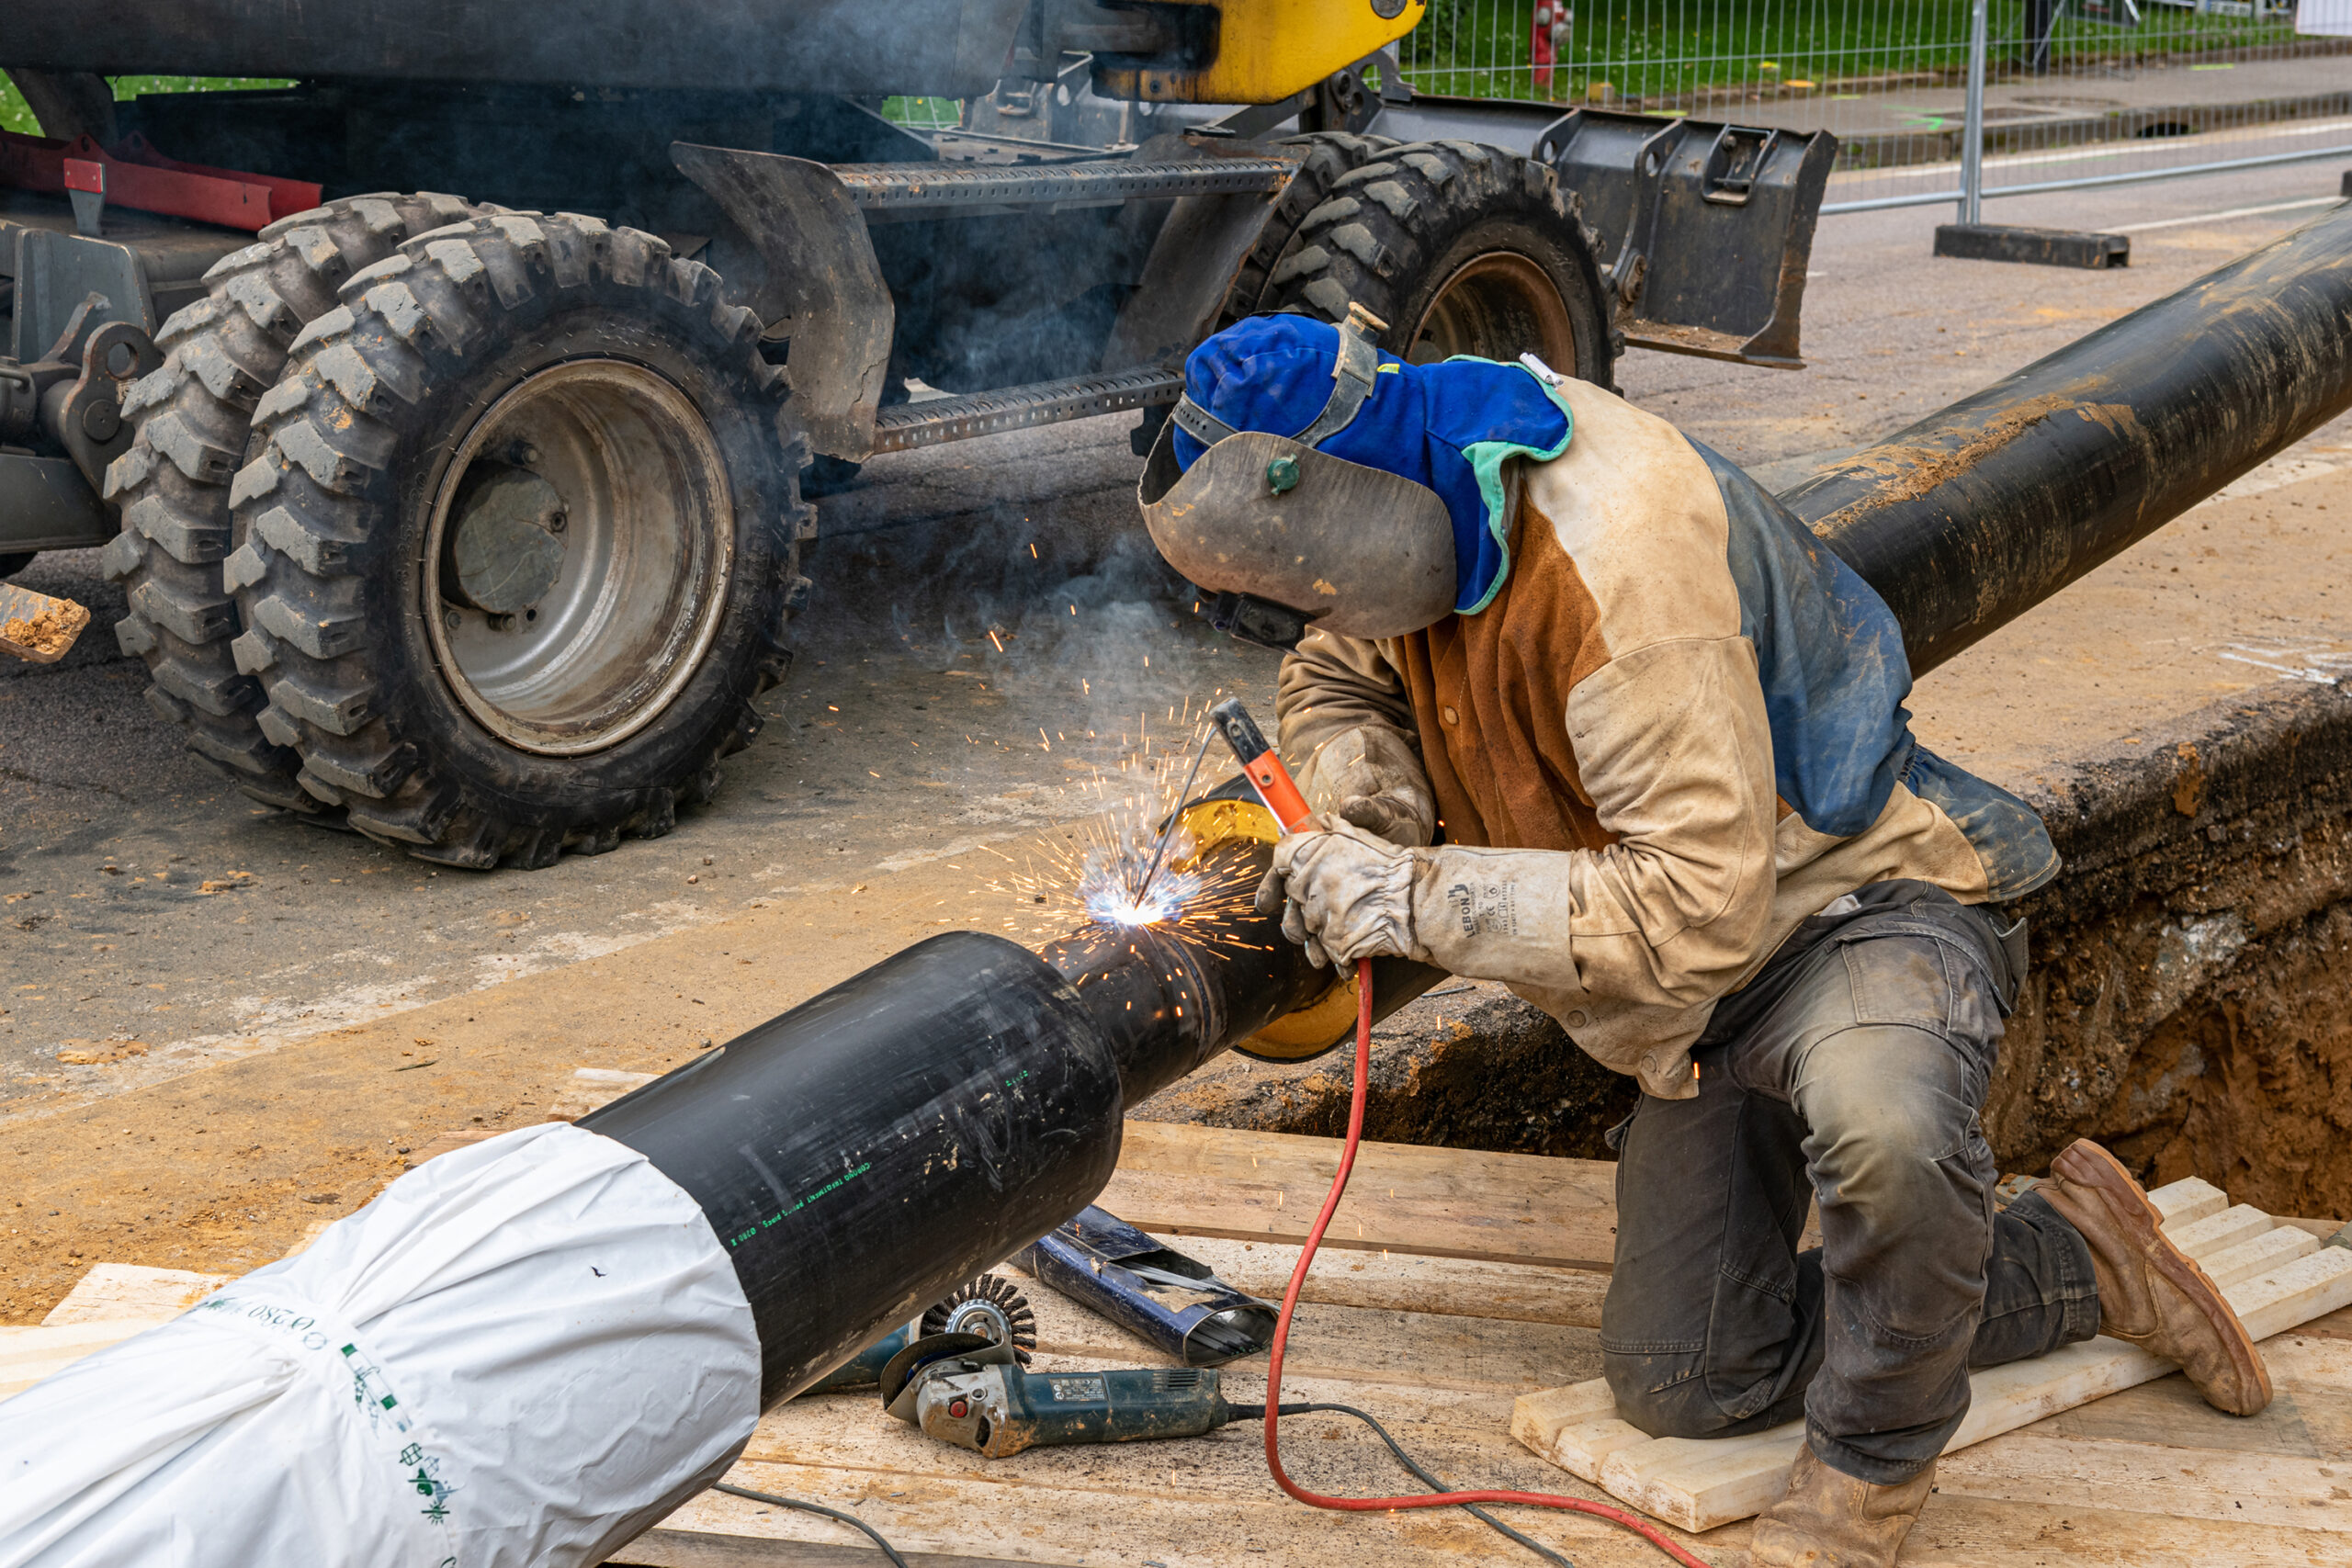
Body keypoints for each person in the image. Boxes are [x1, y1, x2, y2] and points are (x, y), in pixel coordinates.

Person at [1136, 312, 2271, 1567]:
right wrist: (1370, 798)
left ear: (1342, 489)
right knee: (1686, 1377)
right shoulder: (1410, 474)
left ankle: (1866, 1486)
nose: (1316, 606)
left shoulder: (1618, 565)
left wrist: (1411, 895)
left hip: (1850, 913)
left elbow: (1694, 905)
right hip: (1693, 1001)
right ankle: (2081, 1261)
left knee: (1885, 1130)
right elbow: (1339, 673)